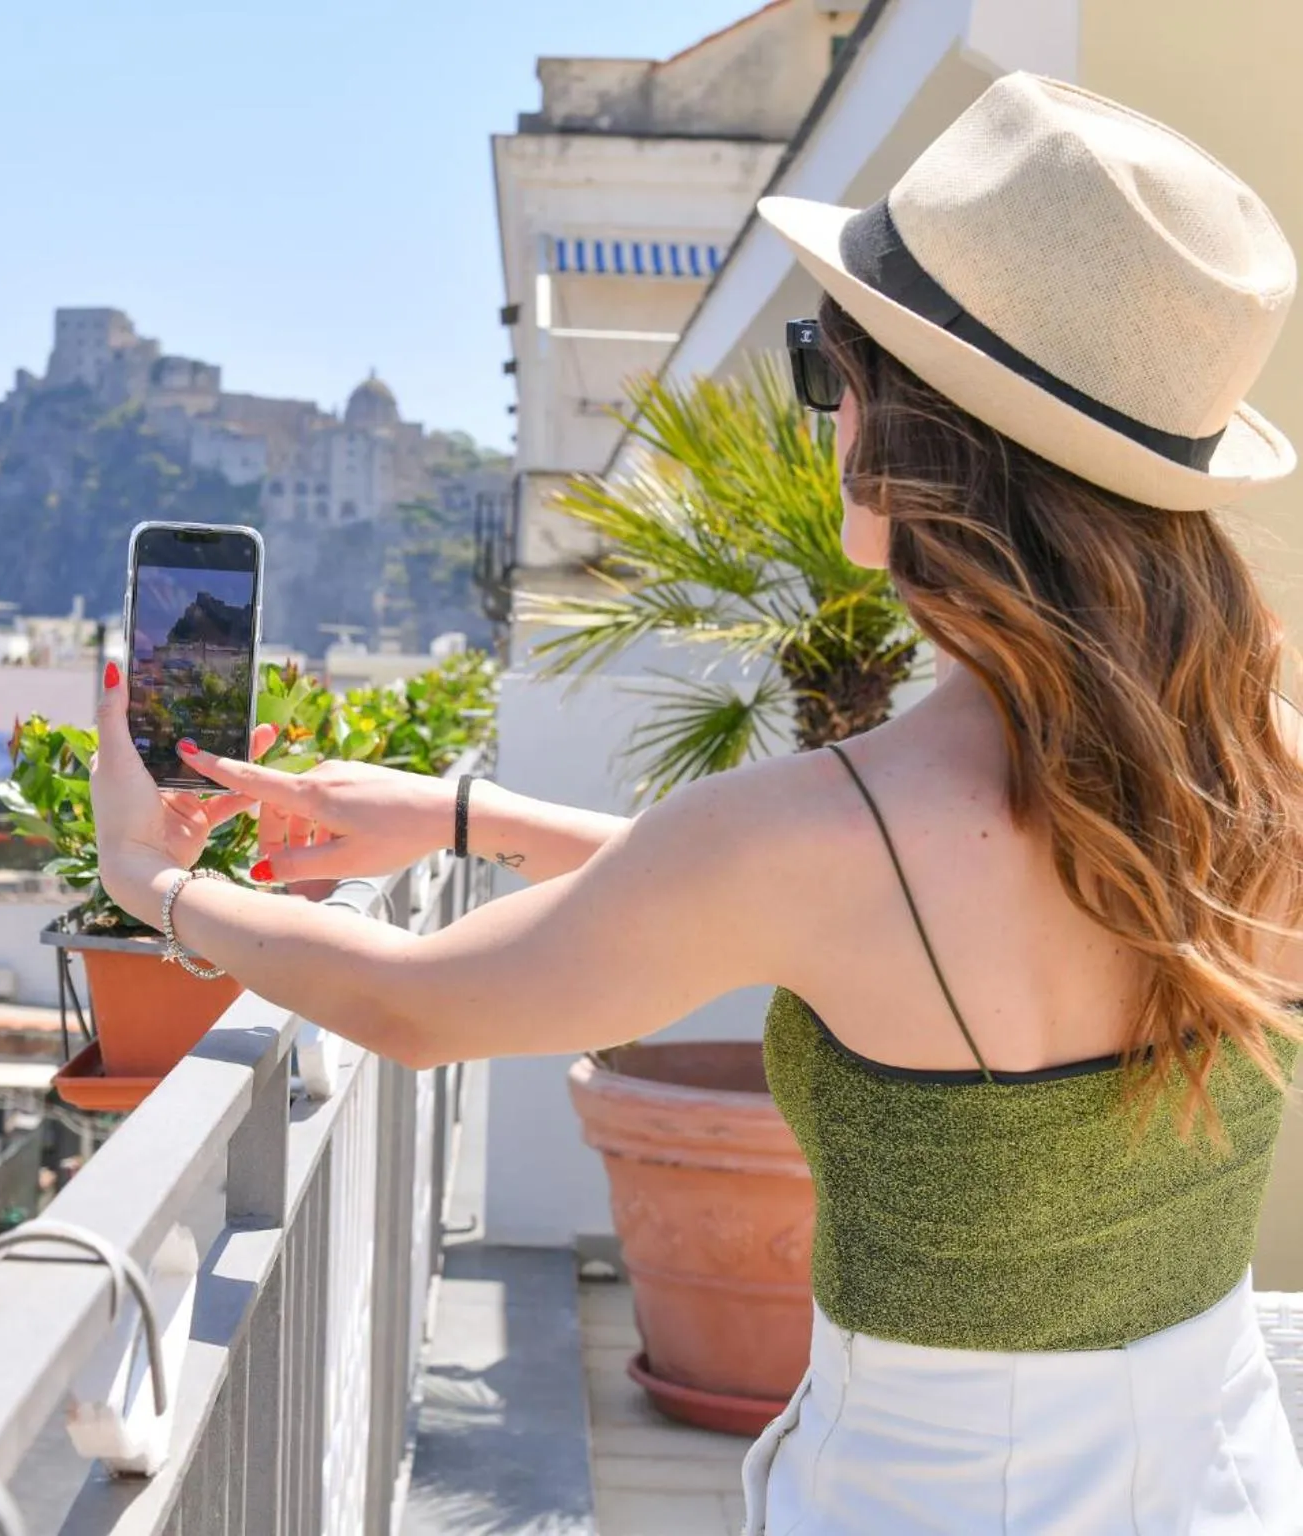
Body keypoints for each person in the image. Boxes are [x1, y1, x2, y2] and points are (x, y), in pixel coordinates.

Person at [89, 72, 1303, 1534]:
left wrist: (156, 883)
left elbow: (422, 1006)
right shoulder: (1254, 770)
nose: (827, 408)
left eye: (828, 367)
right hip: (1223, 1472)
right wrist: (469, 820)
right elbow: (879, 916)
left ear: (909, 430)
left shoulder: (835, 828)